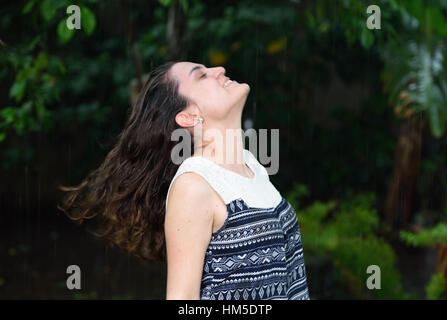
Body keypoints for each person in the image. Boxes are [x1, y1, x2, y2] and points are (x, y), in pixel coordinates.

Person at [57, 61, 309, 300]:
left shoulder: (250, 164)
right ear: (188, 117)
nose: (219, 69)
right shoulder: (194, 185)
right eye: (201, 75)